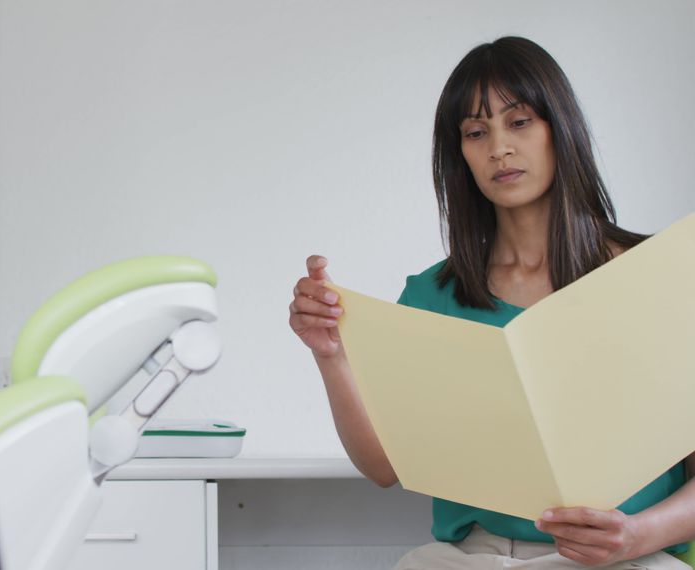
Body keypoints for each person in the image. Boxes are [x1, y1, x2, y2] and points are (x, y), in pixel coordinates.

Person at [288, 36, 695, 569]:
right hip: (471, 557)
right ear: (459, 155)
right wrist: (332, 355)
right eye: (476, 133)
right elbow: (386, 466)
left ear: (559, 129)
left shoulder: (657, 277)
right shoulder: (430, 296)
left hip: (624, 556)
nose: (499, 147)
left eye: (519, 121)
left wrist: (638, 536)